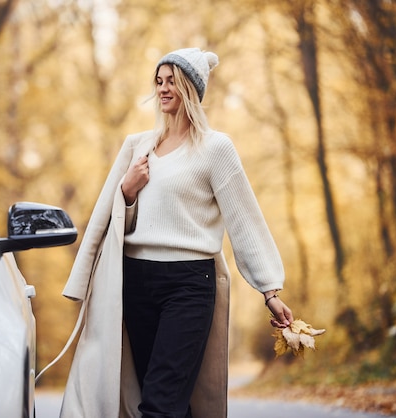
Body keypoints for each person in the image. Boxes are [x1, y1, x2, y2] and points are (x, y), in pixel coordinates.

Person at [58, 48, 294, 418]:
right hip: (135, 282)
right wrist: (127, 191)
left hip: (188, 285)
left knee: (160, 402)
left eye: (171, 81)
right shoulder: (139, 147)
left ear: (190, 88)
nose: (163, 89)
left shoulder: (216, 149)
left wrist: (270, 291)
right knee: (158, 399)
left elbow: (244, 220)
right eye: (159, 81)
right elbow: (115, 220)